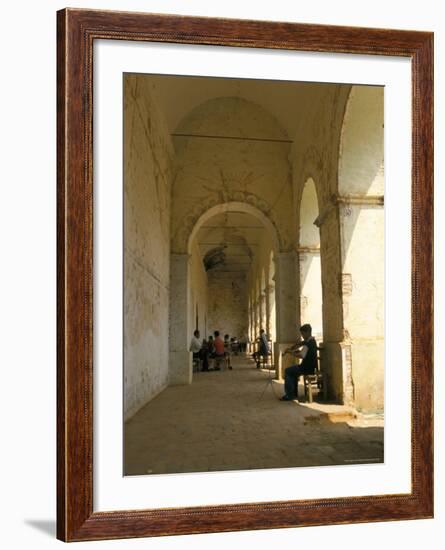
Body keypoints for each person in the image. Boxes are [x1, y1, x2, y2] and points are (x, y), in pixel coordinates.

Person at [280, 324, 317, 402]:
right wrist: (293, 348)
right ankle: (293, 393)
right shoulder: (312, 340)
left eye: (303, 334)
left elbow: (302, 355)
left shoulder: (308, 343)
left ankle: (289, 395)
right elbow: (301, 345)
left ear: (307, 332)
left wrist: (291, 352)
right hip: (311, 367)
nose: (302, 336)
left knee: (288, 371)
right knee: (293, 372)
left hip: (306, 368)